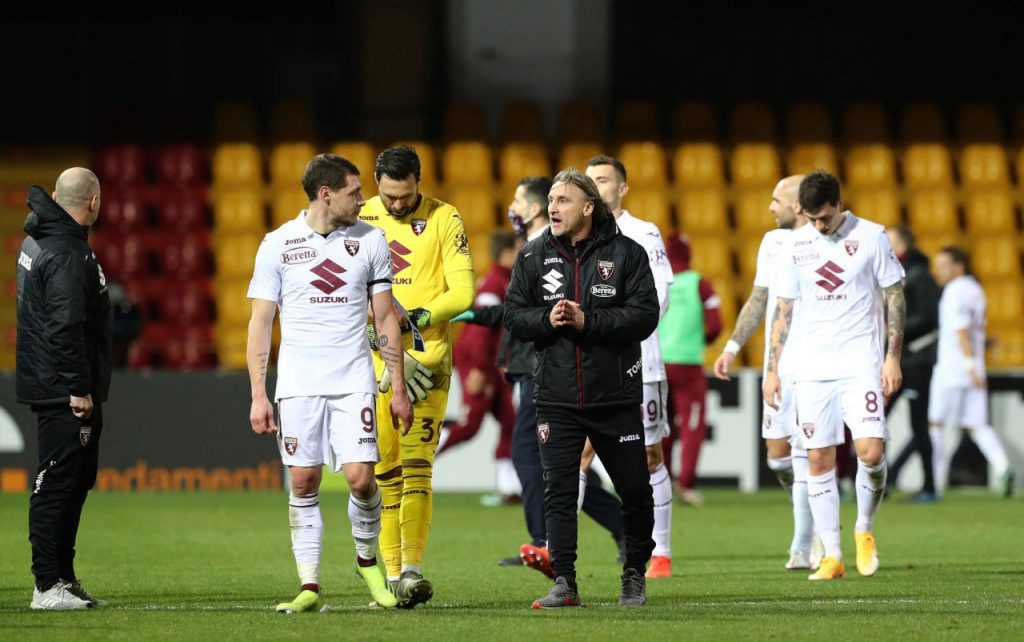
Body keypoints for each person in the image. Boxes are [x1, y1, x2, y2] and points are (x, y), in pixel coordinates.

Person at [247, 153, 412, 613]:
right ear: (326, 194)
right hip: (298, 383)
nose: (363, 200)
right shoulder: (277, 244)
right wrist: (259, 394)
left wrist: (397, 387)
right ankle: (310, 586)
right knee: (303, 480)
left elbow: (384, 317)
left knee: (361, 480)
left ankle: (367, 562)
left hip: (353, 378)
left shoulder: (372, 240)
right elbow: (261, 323)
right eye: (354, 192)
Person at [455, 177, 630, 573]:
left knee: (530, 454)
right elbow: (518, 311)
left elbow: (538, 311)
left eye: (519, 201)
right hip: (526, 366)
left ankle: (544, 542)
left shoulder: (550, 250)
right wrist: (493, 338)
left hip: (545, 365)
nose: (512, 208)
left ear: (534, 208)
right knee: (555, 461)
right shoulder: (532, 250)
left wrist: (477, 317)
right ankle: (615, 524)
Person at [505, 168, 659, 608]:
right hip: (555, 396)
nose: (552, 207)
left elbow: (645, 316)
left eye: (563, 200)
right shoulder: (533, 256)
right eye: (550, 199)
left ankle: (634, 573)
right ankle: (565, 583)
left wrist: (588, 321)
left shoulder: (627, 253)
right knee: (559, 490)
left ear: (589, 207)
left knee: (633, 489)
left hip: (614, 395)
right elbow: (515, 315)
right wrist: (545, 319)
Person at [763, 170, 906, 581]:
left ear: (840, 204)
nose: (819, 226)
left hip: (860, 362)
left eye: (825, 218)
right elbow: (784, 310)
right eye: (812, 219)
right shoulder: (796, 244)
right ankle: (833, 554)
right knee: (819, 459)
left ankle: (864, 528)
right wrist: (773, 370)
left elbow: (895, 296)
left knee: (871, 452)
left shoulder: (873, 236)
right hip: (809, 368)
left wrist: (891, 358)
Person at [360, 146, 475, 607]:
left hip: (427, 362)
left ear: (418, 183)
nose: (398, 205)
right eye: (390, 196)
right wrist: (382, 335)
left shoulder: (446, 218)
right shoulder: (360, 217)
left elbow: (463, 290)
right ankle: (391, 577)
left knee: (417, 468)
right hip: (369, 364)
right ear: (376, 183)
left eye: (406, 196)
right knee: (383, 474)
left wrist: (418, 317)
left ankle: (412, 569)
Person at [16, 168, 112, 610]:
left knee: (74, 482)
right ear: (93, 202)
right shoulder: (68, 252)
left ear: (57, 197)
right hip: (64, 390)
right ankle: (46, 585)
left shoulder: (38, 240)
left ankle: (63, 577)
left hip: (50, 380)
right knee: (56, 484)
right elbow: (65, 325)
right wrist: (78, 387)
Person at [713, 175, 819, 570]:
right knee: (778, 456)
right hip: (779, 363)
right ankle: (815, 507)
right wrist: (732, 347)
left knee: (808, 452)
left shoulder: (826, 242)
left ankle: (807, 541)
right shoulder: (772, 243)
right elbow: (759, 299)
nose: (770, 207)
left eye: (777, 200)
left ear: (798, 204)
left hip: (813, 362)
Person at [581, 156, 677, 579]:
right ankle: (554, 550)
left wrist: (609, 328)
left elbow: (657, 298)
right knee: (576, 455)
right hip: (590, 364)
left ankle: (662, 552)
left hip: (642, 363)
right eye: (590, 181)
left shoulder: (643, 233)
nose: (596, 187)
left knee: (651, 455)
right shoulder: (575, 237)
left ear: (622, 188)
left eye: (603, 180)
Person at [438, 229, 520, 504]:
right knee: (470, 426)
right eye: (518, 249)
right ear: (508, 253)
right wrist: (478, 369)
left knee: (512, 421)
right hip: (479, 363)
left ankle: (508, 488)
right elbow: (479, 329)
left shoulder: (506, 281)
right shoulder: (494, 283)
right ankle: (415, 460)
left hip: (494, 365)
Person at [928, 247, 1015, 497]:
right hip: (976, 367)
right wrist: (975, 361)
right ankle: (1003, 467)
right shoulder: (976, 289)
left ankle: (934, 481)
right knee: (976, 425)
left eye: (943, 265)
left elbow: (962, 330)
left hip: (953, 367)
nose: (938, 271)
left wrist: (966, 363)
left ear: (959, 265)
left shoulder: (954, 291)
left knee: (935, 423)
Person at [659, 233, 722, 509]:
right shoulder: (701, 285)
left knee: (662, 426)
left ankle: (662, 483)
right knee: (691, 427)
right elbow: (716, 326)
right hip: (688, 365)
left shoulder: (656, 281)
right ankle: (686, 484)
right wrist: (700, 341)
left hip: (657, 364)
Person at [883, 226, 940, 501]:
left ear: (903, 243)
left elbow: (929, 318)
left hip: (916, 361)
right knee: (875, 420)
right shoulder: (896, 274)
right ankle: (877, 482)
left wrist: (892, 329)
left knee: (918, 424)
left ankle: (929, 487)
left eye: (891, 239)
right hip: (898, 359)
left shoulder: (919, 275)